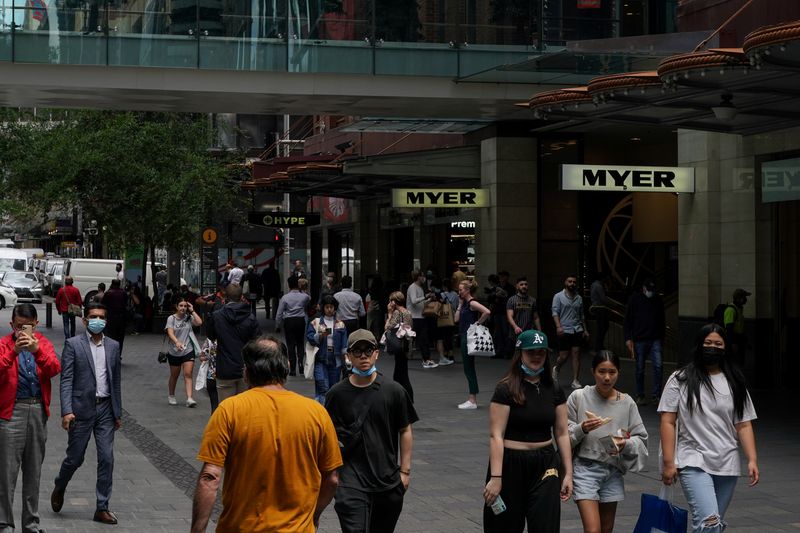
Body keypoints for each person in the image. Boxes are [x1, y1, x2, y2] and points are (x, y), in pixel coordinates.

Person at [192, 337, 342, 532]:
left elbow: (210, 477)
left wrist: (197, 529)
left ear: (246, 372)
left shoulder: (229, 410)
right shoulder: (316, 412)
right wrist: (314, 515)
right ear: (287, 366)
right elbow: (332, 479)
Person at [659, 324, 759, 533]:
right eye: (708, 343)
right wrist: (669, 463)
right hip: (693, 459)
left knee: (714, 526)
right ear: (699, 345)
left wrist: (752, 459)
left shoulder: (735, 382)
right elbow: (668, 421)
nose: (712, 348)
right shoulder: (680, 379)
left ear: (725, 348)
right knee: (709, 523)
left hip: (727, 463)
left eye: (718, 344)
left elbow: (744, 424)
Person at [325, 330, 418, 533]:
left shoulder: (394, 391)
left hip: (387, 479)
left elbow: (405, 429)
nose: (363, 356)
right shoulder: (336, 394)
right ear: (348, 356)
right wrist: (333, 476)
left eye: (368, 350)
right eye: (357, 351)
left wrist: (405, 472)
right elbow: (327, 438)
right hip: (350, 481)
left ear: (377, 353)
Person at [483, 329, 572, 532]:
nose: (536, 356)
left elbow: (562, 433)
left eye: (541, 352)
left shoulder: (555, 389)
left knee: (546, 526)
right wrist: (496, 478)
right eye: (531, 351)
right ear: (520, 353)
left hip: (546, 464)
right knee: (504, 525)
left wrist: (568, 473)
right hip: (510, 464)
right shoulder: (505, 389)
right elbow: (496, 435)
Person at [51, 303, 122, 525]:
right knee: (75, 458)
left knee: (107, 458)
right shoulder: (73, 345)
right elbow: (66, 380)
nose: (97, 320)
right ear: (84, 320)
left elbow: (116, 381)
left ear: (106, 321)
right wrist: (66, 411)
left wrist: (117, 412)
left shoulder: (113, 346)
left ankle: (102, 507)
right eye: (93, 317)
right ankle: (60, 484)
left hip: (106, 409)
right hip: (81, 409)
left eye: (101, 317)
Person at [567, 351, 648, 533]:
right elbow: (563, 436)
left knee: (606, 529)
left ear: (618, 372)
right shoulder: (578, 397)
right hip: (584, 468)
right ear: (593, 371)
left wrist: (624, 444)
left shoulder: (627, 402)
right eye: (601, 371)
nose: (606, 377)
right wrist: (583, 428)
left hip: (613, 471)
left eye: (612, 372)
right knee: (593, 530)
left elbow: (641, 439)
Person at [0, 304, 61, 533]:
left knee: (33, 471)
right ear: (12, 325)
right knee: (6, 472)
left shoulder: (43, 344)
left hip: (37, 410)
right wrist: (14, 351)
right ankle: (4, 523)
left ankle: (31, 525)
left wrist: (37, 351)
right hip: (10, 412)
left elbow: (54, 368)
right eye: (18, 326)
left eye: (26, 326)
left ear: (35, 324)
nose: (21, 331)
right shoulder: (4, 344)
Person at [205, 284, 261, 402]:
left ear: (225, 297)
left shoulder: (217, 316)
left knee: (226, 407)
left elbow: (211, 335)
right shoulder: (250, 317)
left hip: (225, 368)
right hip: (245, 368)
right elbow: (257, 342)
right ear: (241, 297)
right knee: (244, 407)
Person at [623, 278, 666, 405]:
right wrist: (628, 338)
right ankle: (640, 395)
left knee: (658, 366)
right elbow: (628, 320)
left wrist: (662, 338)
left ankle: (656, 395)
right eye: (649, 290)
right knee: (640, 368)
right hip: (640, 339)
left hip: (655, 338)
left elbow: (662, 320)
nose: (651, 293)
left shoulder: (658, 300)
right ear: (643, 288)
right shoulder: (635, 299)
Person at [455, 279, 491, 410]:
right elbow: (456, 319)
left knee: (469, 368)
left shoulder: (472, 302)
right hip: (464, 336)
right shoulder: (464, 303)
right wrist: (459, 305)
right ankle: (472, 399)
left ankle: (472, 399)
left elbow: (487, 312)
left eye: (461, 290)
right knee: (468, 367)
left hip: (468, 337)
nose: (459, 292)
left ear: (467, 290)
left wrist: (477, 323)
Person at [306, 295, 348, 403]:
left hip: (336, 361)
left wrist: (347, 360)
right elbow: (310, 338)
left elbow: (344, 345)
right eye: (327, 307)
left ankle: (331, 413)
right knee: (323, 388)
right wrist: (320, 335)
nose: (329, 310)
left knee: (333, 389)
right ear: (323, 308)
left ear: (335, 308)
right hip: (320, 360)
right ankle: (323, 413)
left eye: (331, 307)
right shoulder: (315, 322)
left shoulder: (340, 324)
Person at [552, 274, 590, 390]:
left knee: (576, 354)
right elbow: (555, 313)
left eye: (574, 282)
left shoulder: (579, 298)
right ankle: (556, 368)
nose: (572, 284)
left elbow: (582, 315)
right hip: (564, 329)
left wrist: (585, 329)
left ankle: (575, 380)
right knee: (563, 356)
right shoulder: (558, 296)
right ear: (565, 282)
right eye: (570, 281)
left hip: (577, 329)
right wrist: (558, 327)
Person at [165, 297, 203, 407]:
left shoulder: (188, 317)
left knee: (188, 373)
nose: (183, 308)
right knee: (174, 375)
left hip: (188, 349)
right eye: (181, 306)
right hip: (175, 351)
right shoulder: (171, 318)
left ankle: (190, 398)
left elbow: (199, 322)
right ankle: (171, 395)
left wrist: (192, 310)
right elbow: (170, 332)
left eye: (185, 306)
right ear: (176, 307)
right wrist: (176, 342)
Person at [276, 275, 311, 376]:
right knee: (300, 343)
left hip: (289, 321)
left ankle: (292, 369)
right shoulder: (304, 297)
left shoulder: (285, 298)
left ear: (289, 285)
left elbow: (279, 313)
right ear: (298, 285)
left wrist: (277, 325)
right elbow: (309, 301)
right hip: (300, 321)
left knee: (290, 345)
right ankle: (301, 365)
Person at [384, 291, 415, 401]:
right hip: (405, 344)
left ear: (394, 301)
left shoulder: (397, 313)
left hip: (399, 345)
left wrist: (389, 314)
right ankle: (404, 398)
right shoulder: (407, 312)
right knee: (401, 372)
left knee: (400, 374)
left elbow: (388, 327)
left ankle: (405, 398)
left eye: (391, 300)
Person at [407, 270, 437, 369]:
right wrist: (425, 297)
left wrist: (429, 300)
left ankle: (426, 359)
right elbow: (414, 301)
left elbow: (421, 303)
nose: (424, 278)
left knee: (422, 339)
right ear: (418, 277)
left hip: (420, 316)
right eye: (422, 276)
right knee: (420, 338)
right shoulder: (412, 287)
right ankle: (425, 359)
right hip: (414, 317)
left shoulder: (419, 288)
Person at [505, 276, 541, 352]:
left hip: (529, 332)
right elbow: (509, 316)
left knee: (527, 354)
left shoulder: (532, 300)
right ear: (517, 286)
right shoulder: (511, 300)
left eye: (525, 284)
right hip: (515, 333)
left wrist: (539, 331)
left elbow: (536, 317)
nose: (524, 286)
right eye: (521, 284)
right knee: (516, 355)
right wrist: (515, 327)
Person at [723, 288, 750, 368]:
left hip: (739, 339)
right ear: (738, 298)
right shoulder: (731, 310)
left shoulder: (739, 309)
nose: (745, 299)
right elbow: (729, 328)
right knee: (734, 364)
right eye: (744, 297)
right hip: (734, 340)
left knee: (739, 363)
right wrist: (733, 343)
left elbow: (739, 327)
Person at [101, 279, 128, 356]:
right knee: (120, 338)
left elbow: (103, 304)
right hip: (122, 318)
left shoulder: (108, 293)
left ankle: (112, 353)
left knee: (111, 336)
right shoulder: (123, 293)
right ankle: (118, 354)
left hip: (111, 318)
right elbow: (126, 303)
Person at [486, 274, 510, 359]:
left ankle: (505, 352)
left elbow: (505, 297)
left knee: (503, 332)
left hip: (502, 312)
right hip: (498, 312)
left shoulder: (500, 289)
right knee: (498, 333)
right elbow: (490, 301)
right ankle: (500, 351)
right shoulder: (494, 289)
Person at [435, 278, 458, 366]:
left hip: (443, 317)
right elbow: (456, 305)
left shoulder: (441, 294)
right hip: (452, 316)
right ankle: (451, 353)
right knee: (450, 335)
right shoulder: (455, 294)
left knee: (443, 336)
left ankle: (445, 353)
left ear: (444, 286)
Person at [589, 272, 611, 352]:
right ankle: (599, 346)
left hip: (597, 308)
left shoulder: (593, 284)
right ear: (603, 278)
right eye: (606, 278)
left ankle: (599, 346)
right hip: (600, 308)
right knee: (602, 328)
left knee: (602, 327)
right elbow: (603, 298)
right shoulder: (598, 286)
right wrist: (612, 304)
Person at [365, 274, 385, 343]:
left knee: (370, 325)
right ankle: (377, 339)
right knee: (377, 326)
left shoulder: (371, 291)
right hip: (379, 309)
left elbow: (367, 300)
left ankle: (370, 339)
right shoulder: (382, 291)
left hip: (371, 309)